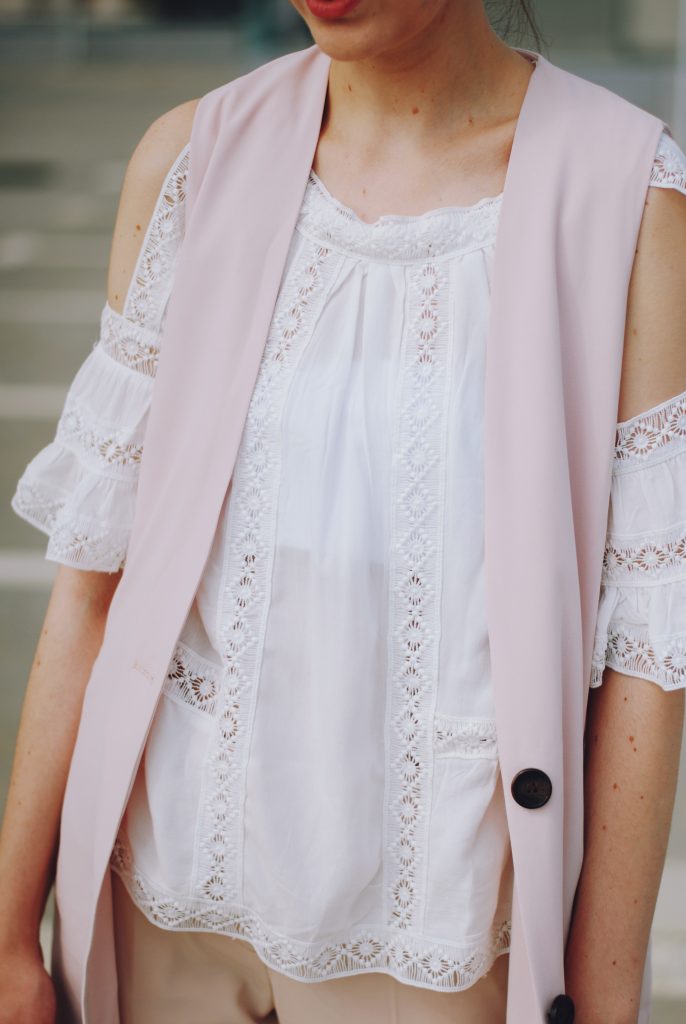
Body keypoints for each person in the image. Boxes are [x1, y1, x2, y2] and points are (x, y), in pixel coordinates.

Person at [2, 2, 686, 1022]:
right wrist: (11, 933)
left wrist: (598, 996)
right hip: (166, 897)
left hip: (436, 931)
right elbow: (94, 584)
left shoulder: (625, 196)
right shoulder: (193, 159)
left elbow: (647, 647)